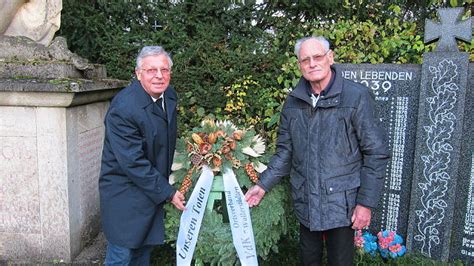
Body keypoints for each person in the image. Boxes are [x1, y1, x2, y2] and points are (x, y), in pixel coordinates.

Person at [245, 36, 390, 265]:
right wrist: (262, 186)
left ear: (330, 58)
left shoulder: (356, 97)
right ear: (299, 65)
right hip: (307, 203)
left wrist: (365, 203)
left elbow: (376, 152)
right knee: (308, 260)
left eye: (318, 57)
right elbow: (285, 151)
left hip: (342, 205)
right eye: (305, 60)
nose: (312, 63)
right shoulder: (293, 102)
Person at [99, 46, 185, 265]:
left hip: (150, 190)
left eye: (164, 70)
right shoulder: (124, 108)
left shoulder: (169, 96)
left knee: (143, 253)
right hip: (125, 195)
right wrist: (168, 192)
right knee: (122, 255)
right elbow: (134, 163)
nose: (159, 75)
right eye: (151, 70)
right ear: (138, 74)